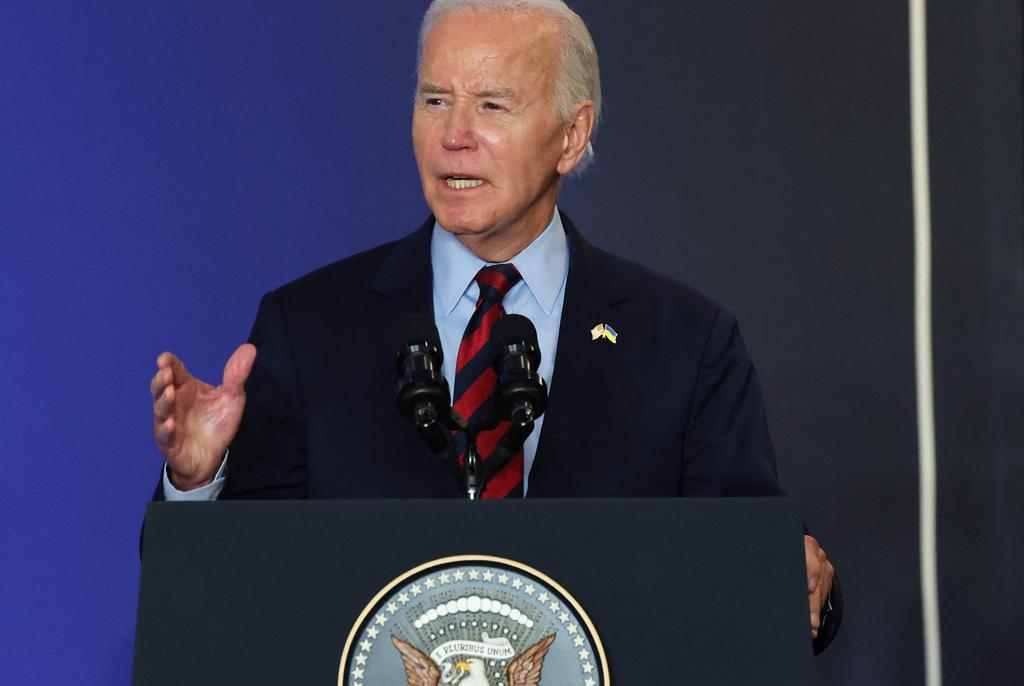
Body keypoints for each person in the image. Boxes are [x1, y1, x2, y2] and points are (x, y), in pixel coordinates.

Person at [149, 0, 839, 651]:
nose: (454, 136)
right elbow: (218, 600)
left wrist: (796, 584)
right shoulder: (307, 327)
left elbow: (754, 571)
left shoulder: (685, 343)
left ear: (572, 136)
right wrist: (200, 485)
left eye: (492, 105)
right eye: (435, 100)